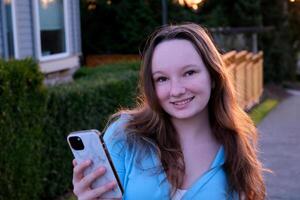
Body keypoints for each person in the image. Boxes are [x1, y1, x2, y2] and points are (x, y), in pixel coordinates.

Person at [72, 23, 266, 200]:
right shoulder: (124, 136)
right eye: (162, 79)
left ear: (213, 76)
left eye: (189, 73)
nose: (176, 90)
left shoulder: (235, 148)